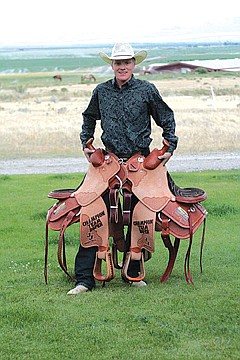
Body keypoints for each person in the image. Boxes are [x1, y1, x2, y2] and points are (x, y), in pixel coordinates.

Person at [67, 43, 178, 295]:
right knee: (91, 208)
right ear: (112, 65)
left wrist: (168, 147)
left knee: (145, 210)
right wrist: (87, 142)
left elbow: (166, 117)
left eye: (127, 62)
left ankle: (134, 272)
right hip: (109, 161)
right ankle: (84, 279)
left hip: (140, 161)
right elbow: (89, 117)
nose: (122, 66)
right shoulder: (101, 91)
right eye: (118, 63)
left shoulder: (147, 90)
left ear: (133, 64)